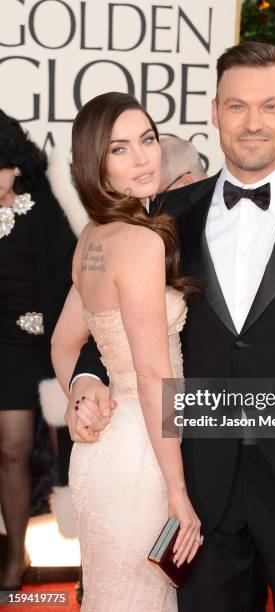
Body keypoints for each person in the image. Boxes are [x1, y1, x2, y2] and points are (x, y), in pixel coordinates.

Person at [67, 42, 275, 612]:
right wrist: (85, 378)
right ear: (214, 111)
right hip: (197, 489)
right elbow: (114, 319)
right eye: (237, 106)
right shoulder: (168, 213)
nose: (253, 123)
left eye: (270, 107)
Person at [50, 92, 201, 612]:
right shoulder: (139, 242)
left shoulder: (93, 236)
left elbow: (64, 343)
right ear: (97, 166)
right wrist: (179, 491)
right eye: (120, 149)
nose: (143, 158)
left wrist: (84, 388)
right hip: (143, 455)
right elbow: (156, 373)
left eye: (148, 139)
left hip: (102, 455)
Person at [0, 111, 76, 590]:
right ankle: (14, 556)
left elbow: (75, 273)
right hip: (6, 351)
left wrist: (63, 337)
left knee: (75, 457)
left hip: (54, 348)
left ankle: (95, 555)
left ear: (12, 161)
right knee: (11, 450)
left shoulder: (42, 203)